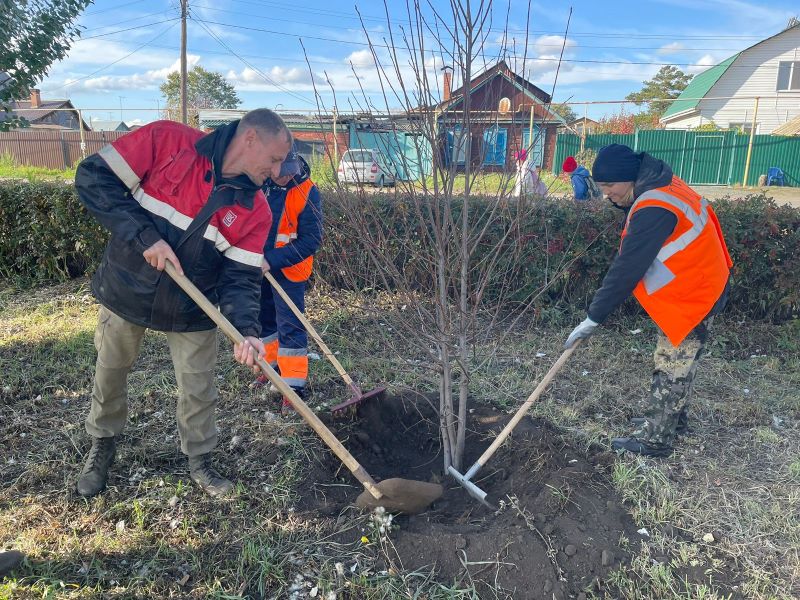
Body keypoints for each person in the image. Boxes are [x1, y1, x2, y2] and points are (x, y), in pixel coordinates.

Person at [74, 109, 292, 498]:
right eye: (274, 160)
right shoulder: (168, 142)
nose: (277, 172)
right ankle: (101, 445)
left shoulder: (254, 209)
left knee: (198, 386)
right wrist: (145, 238)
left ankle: (200, 459)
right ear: (250, 140)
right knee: (110, 369)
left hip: (193, 307)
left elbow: (240, 279)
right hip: (128, 285)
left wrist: (248, 332)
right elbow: (93, 177)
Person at [564, 144, 732, 457]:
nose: (606, 194)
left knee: (672, 364)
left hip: (694, 293)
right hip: (702, 279)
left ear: (629, 178)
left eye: (609, 186)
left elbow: (627, 267)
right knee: (681, 361)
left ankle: (656, 439)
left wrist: (593, 318)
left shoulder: (654, 206)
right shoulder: (658, 183)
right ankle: (670, 421)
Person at [255, 151, 323, 415]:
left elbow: (310, 241)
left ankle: (293, 388)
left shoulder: (307, 192)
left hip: (289, 270)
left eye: (291, 170)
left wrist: (271, 260)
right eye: (282, 171)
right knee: (266, 322)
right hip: (258, 266)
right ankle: (272, 370)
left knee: (290, 326)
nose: (288, 176)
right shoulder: (260, 183)